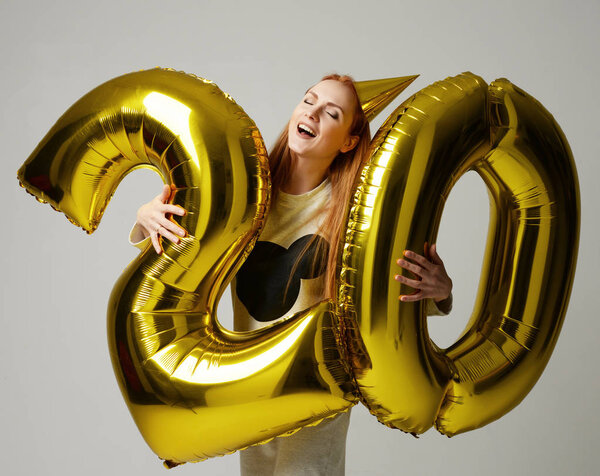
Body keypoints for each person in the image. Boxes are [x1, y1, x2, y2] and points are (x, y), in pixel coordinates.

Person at [129, 74, 453, 476]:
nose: (312, 113)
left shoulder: (353, 212)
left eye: (331, 113)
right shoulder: (245, 192)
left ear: (348, 141)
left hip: (315, 389)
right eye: (308, 101)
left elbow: (387, 296)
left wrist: (440, 292)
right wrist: (146, 217)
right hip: (246, 381)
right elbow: (177, 250)